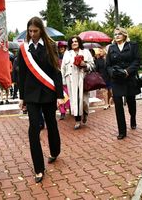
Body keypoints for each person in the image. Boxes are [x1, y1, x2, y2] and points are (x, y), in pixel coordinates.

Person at [18, 16, 64, 183]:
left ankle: (54, 151)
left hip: (48, 93)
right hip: (31, 95)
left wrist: (59, 95)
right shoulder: (24, 49)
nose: (33, 34)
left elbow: (56, 72)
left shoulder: (51, 46)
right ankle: (38, 168)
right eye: (30, 31)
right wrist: (21, 97)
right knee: (33, 129)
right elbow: (21, 74)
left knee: (51, 123)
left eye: (35, 31)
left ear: (41, 30)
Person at [106, 27, 141, 140]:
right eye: (115, 34)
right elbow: (108, 65)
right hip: (116, 80)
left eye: (119, 34)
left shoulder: (132, 45)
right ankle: (122, 131)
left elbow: (137, 61)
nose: (117, 36)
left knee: (131, 101)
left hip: (129, 78)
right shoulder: (111, 48)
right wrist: (112, 72)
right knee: (118, 105)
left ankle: (133, 118)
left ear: (124, 35)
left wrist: (127, 71)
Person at [61, 36, 95, 130]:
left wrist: (85, 65)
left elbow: (92, 65)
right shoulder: (67, 53)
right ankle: (77, 121)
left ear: (79, 42)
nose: (74, 43)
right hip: (71, 80)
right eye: (72, 42)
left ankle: (85, 112)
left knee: (84, 100)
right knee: (75, 101)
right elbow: (63, 68)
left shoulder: (86, 52)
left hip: (83, 79)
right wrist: (63, 81)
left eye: (76, 41)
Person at [57, 41, 70, 120]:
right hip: (59, 80)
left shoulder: (69, 56)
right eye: (60, 47)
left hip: (67, 79)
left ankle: (71, 109)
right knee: (60, 95)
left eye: (62, 47)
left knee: (68, 96)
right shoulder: (56, 57)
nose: (61, 49)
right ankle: (62, 112)